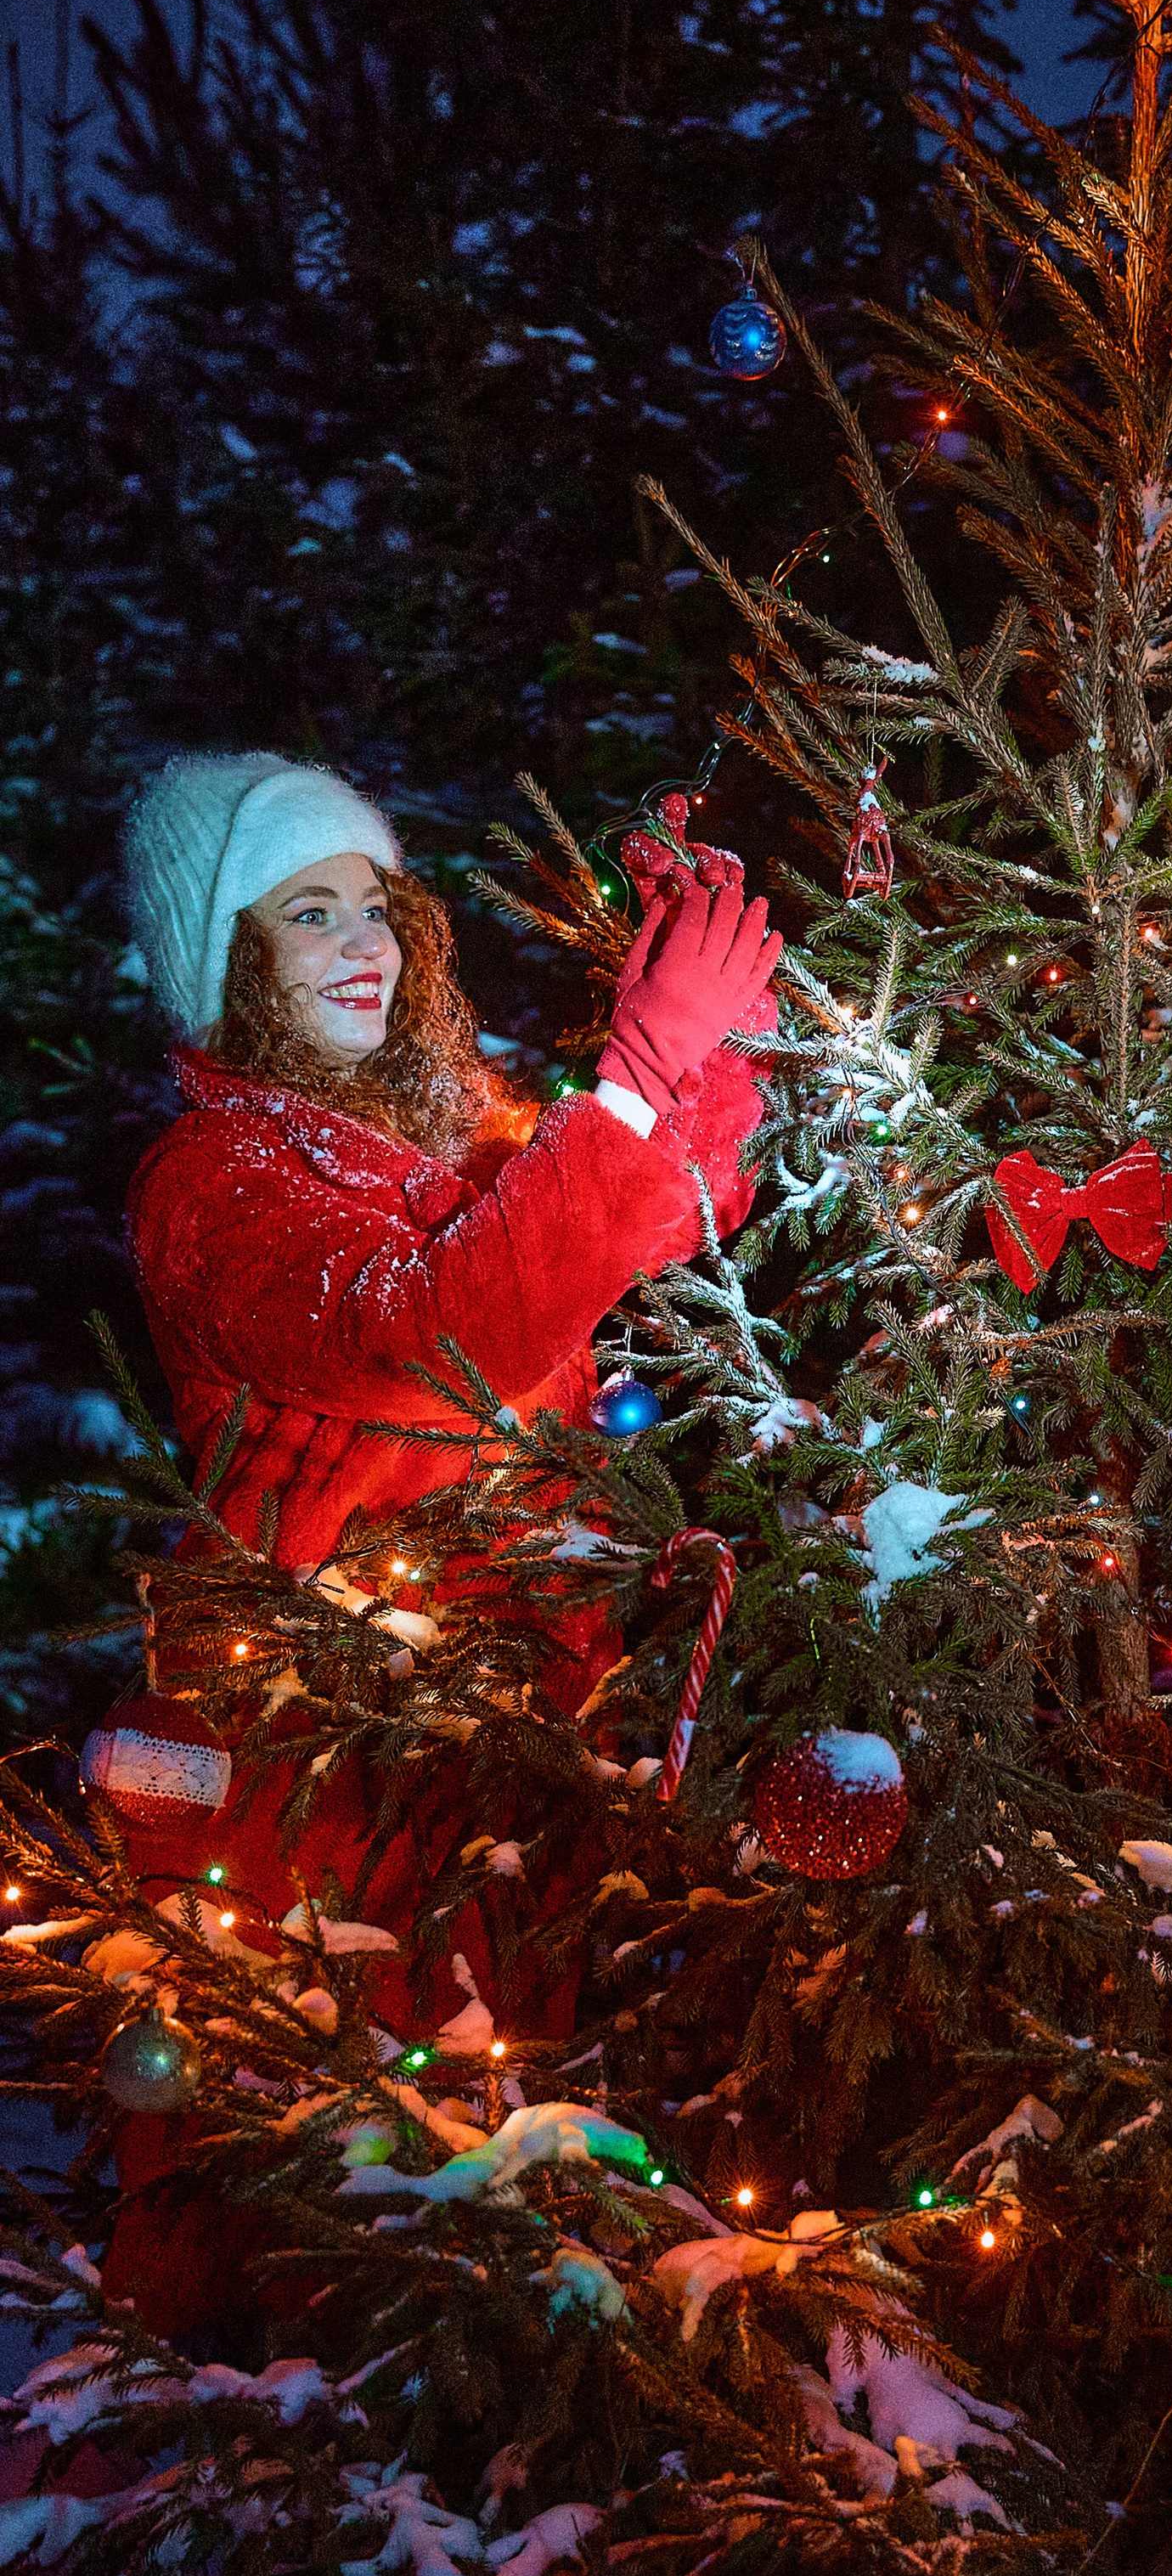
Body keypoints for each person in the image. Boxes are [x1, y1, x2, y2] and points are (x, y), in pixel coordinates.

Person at [103, 751, 780, 2336]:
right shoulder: (213, 1183)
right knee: (331, 2172)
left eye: (380, 906)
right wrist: (628, 1084)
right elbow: (442, 1334)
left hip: (508, 1732)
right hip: (325, 1773)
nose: (365, 946)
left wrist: (703, 1050)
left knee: (511, 2138)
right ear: (225, 963)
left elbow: (667, 1206)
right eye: (306, 914)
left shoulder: (444, 1133)